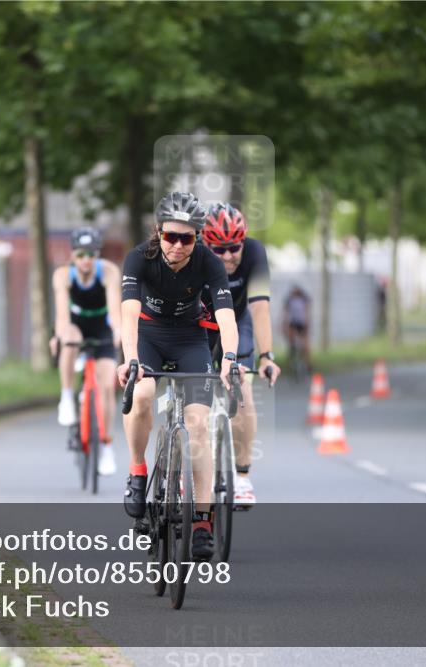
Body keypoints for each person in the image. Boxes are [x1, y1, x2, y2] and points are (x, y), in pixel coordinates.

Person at [116, 192, 242, 561]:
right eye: (171, 236)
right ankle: (138, 471)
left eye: (186, 238)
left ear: (197, 238)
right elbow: (128, 314)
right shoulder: (140, 258)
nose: (177, 245)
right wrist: (131, 359)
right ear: (158, 232)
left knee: (199, 425)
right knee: (141, 395)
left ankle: (201, 520)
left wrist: (230, 358)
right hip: (149, 336)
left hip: (190, 339)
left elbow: (226, 317)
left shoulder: (207, 262)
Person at [199, 203, 281, 508]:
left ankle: (242, 476)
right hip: (200, 323)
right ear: (206, 245)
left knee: (242, 390)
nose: (229, 256)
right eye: (219, 250)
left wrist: (266, 356)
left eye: (234, 247)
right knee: (193, 392)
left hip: (238, 319)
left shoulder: (255, 253)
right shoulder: (194, 255)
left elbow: (260, 307)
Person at [50, 227, 121, 476]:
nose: (86, 260)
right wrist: (59, 336)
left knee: (107, 386)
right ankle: (67, 396)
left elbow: (114, 312)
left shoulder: (109, 272)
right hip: (76, 326)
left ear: (97, 255)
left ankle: (106, 444)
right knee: (69, 337)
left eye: (91, 254)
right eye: (81, 254)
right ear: (73, 255)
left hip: (101, 326)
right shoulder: (63, 275)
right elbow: (61, 316)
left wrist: (118, 335)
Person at [283, 285, 312, 370]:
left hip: (302, 323)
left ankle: (308, 364)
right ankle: (290, 362)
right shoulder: (290, 300)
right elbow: (286, 313)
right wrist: (284, 325)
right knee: (291, 343)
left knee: (305, 344)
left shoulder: (304, 300)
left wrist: (307, 324)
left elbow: (307, 312)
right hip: (293, 323)